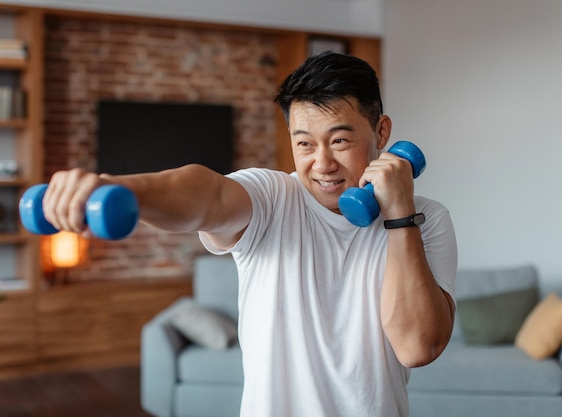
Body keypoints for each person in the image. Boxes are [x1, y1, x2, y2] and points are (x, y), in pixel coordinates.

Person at [41, 51, 457, 417]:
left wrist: (400, 214)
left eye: (341, 140)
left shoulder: (428, 219)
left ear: (381, 133)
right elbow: (204, 195)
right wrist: (116, 188)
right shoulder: (275, 196)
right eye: (305, 144)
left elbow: (417, 347)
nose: (322, 163)